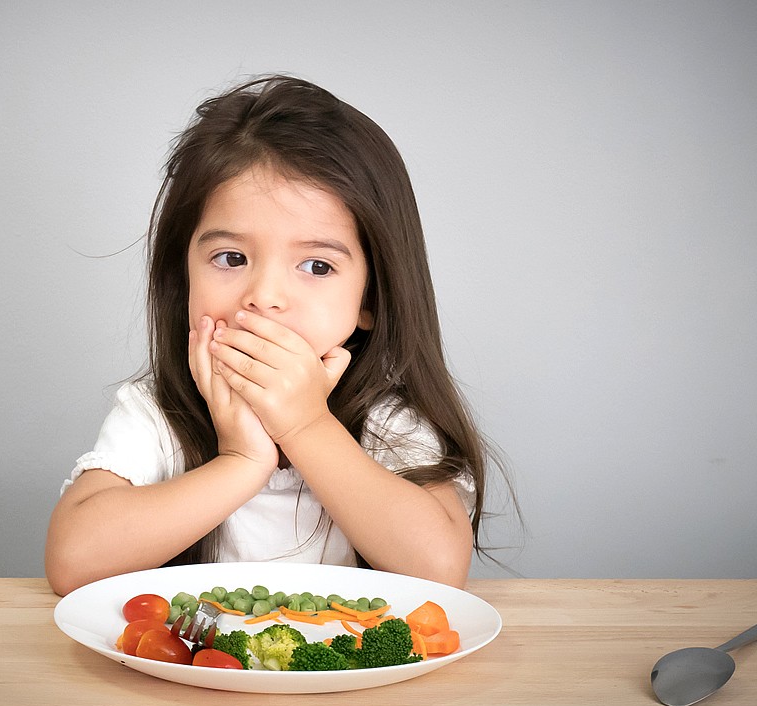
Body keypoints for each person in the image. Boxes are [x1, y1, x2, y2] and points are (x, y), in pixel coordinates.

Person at [46, 75, 503, 596]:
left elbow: (439, 569)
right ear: (185, 278)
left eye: (315, 265)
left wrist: (306, 425)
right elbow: (72, 561)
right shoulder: (156, 414)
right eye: (232, 258)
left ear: (370, 299)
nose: (264, 296)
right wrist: (240, 463)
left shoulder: (387, 420)